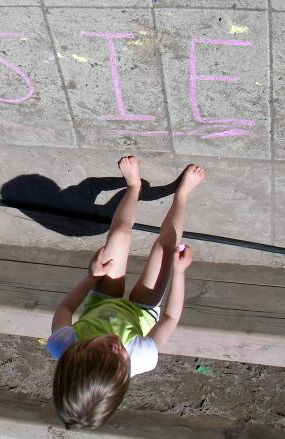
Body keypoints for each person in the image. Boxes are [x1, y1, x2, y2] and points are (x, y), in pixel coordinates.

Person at [47, 156, 206, 429]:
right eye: (118, 358)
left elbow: (65, 309)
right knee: (165, 248)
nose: (113, 346)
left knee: (120, 234)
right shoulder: (140, 358)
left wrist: (92, 276)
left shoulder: (63, 345)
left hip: (101, 301)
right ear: (122, 379)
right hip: (142, 311)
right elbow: (170, 318)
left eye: (99, 347)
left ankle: (133, 187)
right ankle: (182, 195)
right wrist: (179, 273)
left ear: (75, 354)